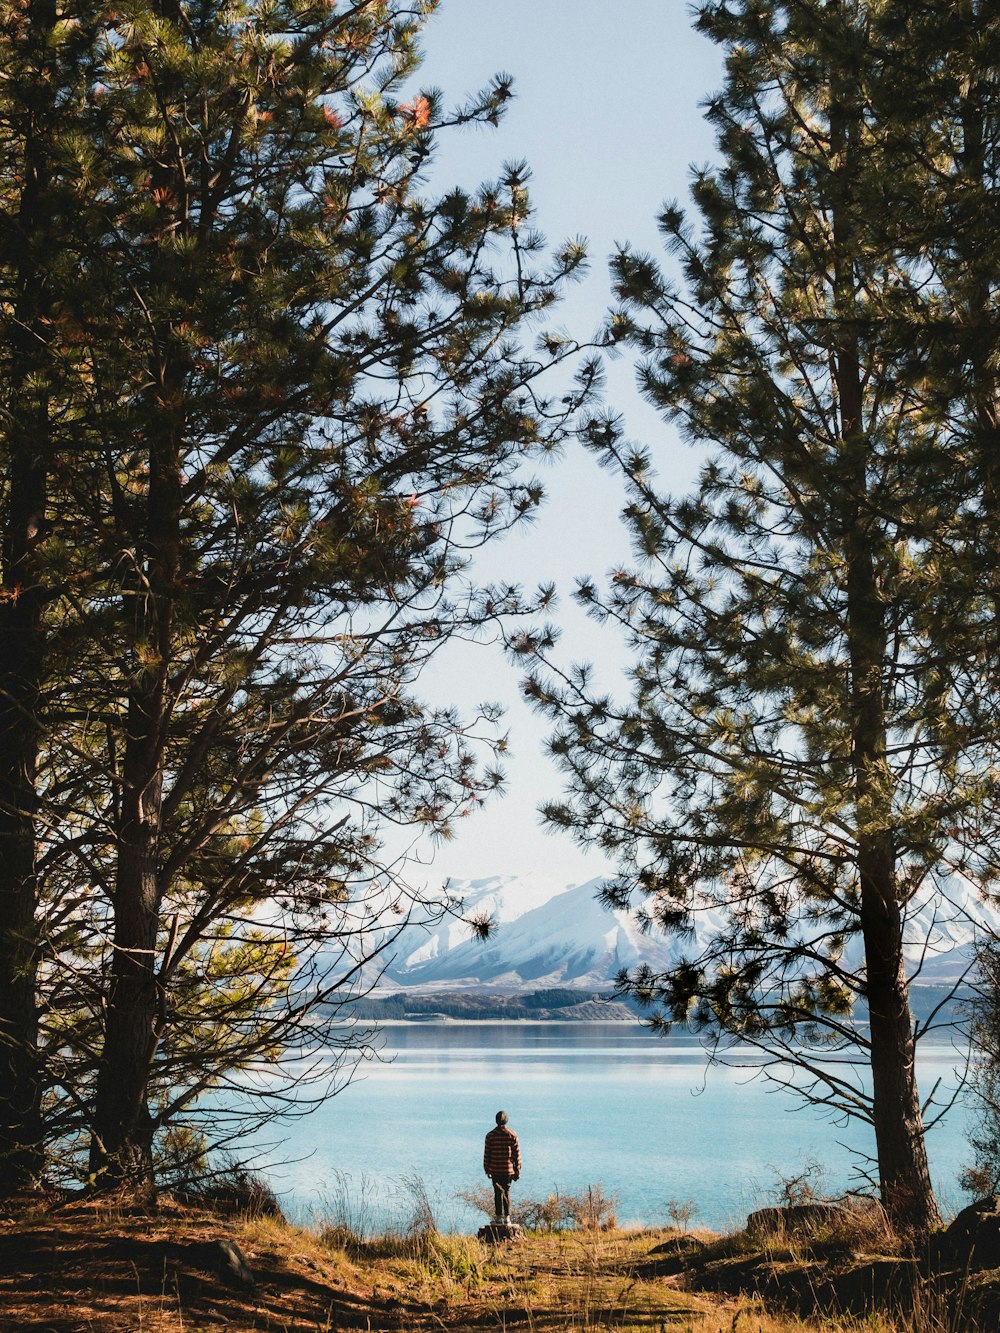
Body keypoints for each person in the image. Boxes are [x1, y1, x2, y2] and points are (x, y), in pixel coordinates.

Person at [483, 1110, 521, 1223]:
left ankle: (498, 1217)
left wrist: (487, 1169)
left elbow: (487, 1154)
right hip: (508, 1170)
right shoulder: (512, 1135)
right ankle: (507, 1218)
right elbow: (517, 1154)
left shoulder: (490, 1136)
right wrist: (517, 1170)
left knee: (497, 1194)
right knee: (506, 1193)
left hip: (495, 1170)